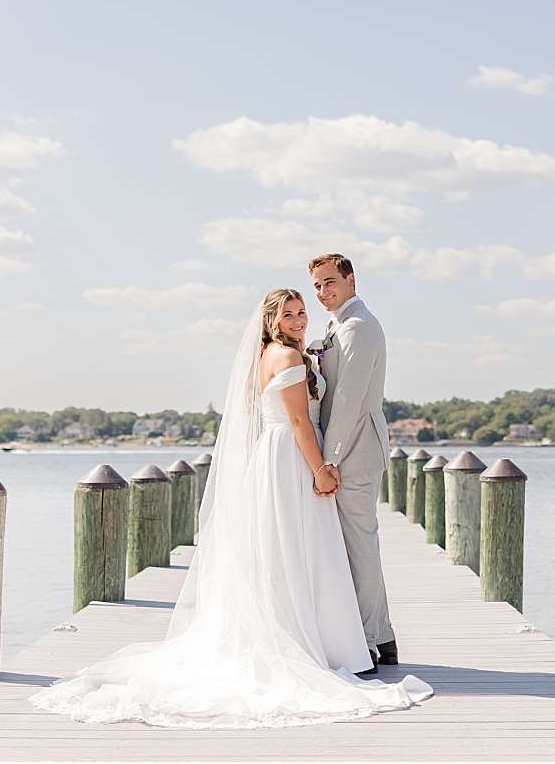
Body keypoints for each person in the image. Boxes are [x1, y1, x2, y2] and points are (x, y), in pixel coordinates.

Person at [29, 287, 430, 728]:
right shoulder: (289, 359)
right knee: (302, 551)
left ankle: (307, 636)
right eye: (290, 315)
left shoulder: (269, 357)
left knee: (287, 552)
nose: (299, 320)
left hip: (274, 457)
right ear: (271, 322)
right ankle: (313, 644)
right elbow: (299, 421)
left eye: (302, 313)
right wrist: (320, 468)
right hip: (293, 456)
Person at [308, 252, 397, 670]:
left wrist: (329, 459)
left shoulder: (359, 327)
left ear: (351, 279)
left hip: (355, 450)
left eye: (330, 282)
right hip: (347, 448)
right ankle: (380, 634)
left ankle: (368, 639)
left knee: (359, 546)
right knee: (353, 545)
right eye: (318, 286)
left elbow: (349, 400)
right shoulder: (337, 325)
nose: (323, 292)